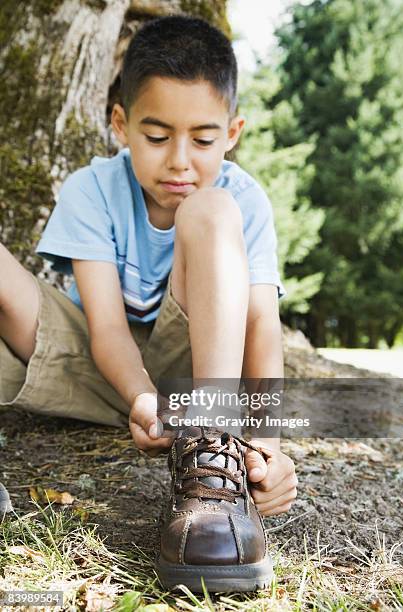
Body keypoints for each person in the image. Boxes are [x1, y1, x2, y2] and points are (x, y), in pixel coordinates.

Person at [0, 15, 297, 591]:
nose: (180, 161)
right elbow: (106, 326)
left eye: (204, 140)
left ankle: (214, 464)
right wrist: (140, 396)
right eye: (157, 137)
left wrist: (268, 444)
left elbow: (262, 326)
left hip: (200, 381)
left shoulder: (242, 199)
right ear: (121, 124)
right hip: (102, 368)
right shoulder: (92, 189)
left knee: (209, 211)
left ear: (232, 132)